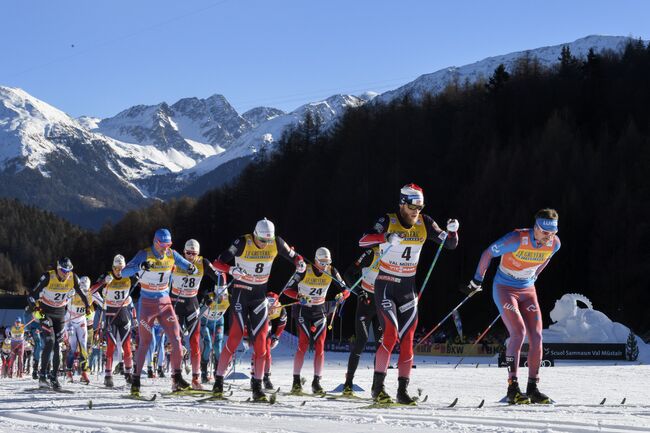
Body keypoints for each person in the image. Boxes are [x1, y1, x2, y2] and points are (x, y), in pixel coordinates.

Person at [359, 183, 459, 404]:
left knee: (408, 340)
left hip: (408, 289)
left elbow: (449, 244)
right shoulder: (388, 220)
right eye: (413, 205)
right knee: (391, 334)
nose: (416, 211)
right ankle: (378, 389)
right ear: (402, 203)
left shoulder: (426, 222)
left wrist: (453, 231)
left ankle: (402, 391)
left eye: (420, 206)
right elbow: (363, 240)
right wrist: (384, 238)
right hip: (385, 284)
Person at [466, 208, 560, 404]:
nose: (548, 237)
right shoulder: (516, 239)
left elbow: (547, 259)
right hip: (504, 289)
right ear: (535, 228)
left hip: (528, 291)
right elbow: (487, 253)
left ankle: (533, 388)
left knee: (537, 336)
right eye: (544, 232)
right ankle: (512, 388)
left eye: (552, 233)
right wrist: (477, 280)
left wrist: (535, 275)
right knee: (518, 333)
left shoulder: (554, 244)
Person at [211, 217, 306, 401]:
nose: (265, 244)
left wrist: (299, 263)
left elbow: (295, 256)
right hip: (240, 293)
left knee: (262, 342)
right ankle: (219, 381)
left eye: (268, 241)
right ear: (255, 235)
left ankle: (257, 386)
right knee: (235, 337)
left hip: (259, 297)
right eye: (262, 241)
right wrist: (231, 271)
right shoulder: (242, 242)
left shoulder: (276, 242)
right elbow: (217, 263)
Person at [121, 228, 197, 396]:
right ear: (156, 242)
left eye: (168, 245)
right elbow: (123, 272)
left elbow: (188, 266)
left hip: (165, 303)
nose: (165, 248)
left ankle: (176, 378)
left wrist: (191, 268)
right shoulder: (144, 254)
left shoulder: (172, 254)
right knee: (145, 342)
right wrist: (139, 266)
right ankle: (136, 380)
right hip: (147, 305)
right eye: (163, 245)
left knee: (177, 340)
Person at [284, 247, 349, 395]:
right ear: (315, 260)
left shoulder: (332, 271)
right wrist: (298, 297)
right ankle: (296, 382)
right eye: (322, 262)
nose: (325, 266)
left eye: (327, 262)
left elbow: (346, 289)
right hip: (303, 310)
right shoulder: (304, 270)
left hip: (320, 311)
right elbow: (287, 290)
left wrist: (342, 295)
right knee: (303, 344)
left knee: (320, 346)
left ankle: (316, 382)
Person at [28, 257, 90, 390]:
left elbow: (82, 293)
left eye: (68, 270)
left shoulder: (73, 278)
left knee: (57, 345)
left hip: (60, 314)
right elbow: (31, 295)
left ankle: (53, 377)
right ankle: (42, 376)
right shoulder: (48, 277)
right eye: (63, 270)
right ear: (57, 268)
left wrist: (88, 307)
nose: (65, 273)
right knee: (50, 341)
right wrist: (36, 308)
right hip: (46, 313)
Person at [170, 239, 224, 390]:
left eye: (193, 253)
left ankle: (196, 379)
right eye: (188, 253)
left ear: (198, 253)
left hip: (192, 305)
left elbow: (220, 277)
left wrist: (214, 293)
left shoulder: (203, 263)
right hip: (175, 304)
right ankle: (176, 379)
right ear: (183, 252)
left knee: (195, 343)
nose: (190, 256)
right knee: (177, 344)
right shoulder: (176, 261)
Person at [91, 254, 137, 387]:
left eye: (121, 268)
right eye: (116, 268)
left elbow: (144, 280)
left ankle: (128, 374)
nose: (119, 271)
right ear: (113, 267)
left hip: (124, 314)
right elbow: (91, 291)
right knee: (110, 347)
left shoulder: (129, 276)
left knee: (127, 347)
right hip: (110, 314)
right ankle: (108, 375)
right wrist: (103, 282)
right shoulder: (107, 275)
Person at [341, 246, 382, 395]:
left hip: (382, 304)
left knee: (382, 345)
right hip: (366, 304)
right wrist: (359, 291)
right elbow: (348, 274)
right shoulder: (372, 252)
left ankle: (377, 387)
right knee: (361, 341)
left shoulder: (397, 255)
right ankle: (348, 384)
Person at [65, 276, 97, 384]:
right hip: (70, 321)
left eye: (86, 290)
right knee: (73, 348)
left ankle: (84, 373)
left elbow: (104, 304)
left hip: (82, 321)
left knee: (84, 347)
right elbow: (64, 303)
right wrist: (68, 295)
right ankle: (69, 372)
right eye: (82, 290)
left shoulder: (90, 294)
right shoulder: (73, 292)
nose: (84, 292)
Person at [199, 281, 229, 383]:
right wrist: (206, 302)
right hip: (205, 322)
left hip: (219, 322)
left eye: (224, 292)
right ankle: (203, 373)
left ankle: (218, 372)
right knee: (208, 346)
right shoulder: (209, 296)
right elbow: (200, 305)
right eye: (219, 291)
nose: (222, 295)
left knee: (218, 347)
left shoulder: (229, 297)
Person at [259, 291, 287, 390]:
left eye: (273, 305)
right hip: (257, 326)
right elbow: (248, 318)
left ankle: (266, 377)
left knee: (267, 351)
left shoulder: (280, 309)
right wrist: (246, 336)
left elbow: (282, 323)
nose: (270, 308)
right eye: (268, 305)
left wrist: (276, 336)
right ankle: (254, 377)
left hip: (267, 327)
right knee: (258, 351)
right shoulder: (259, 305)